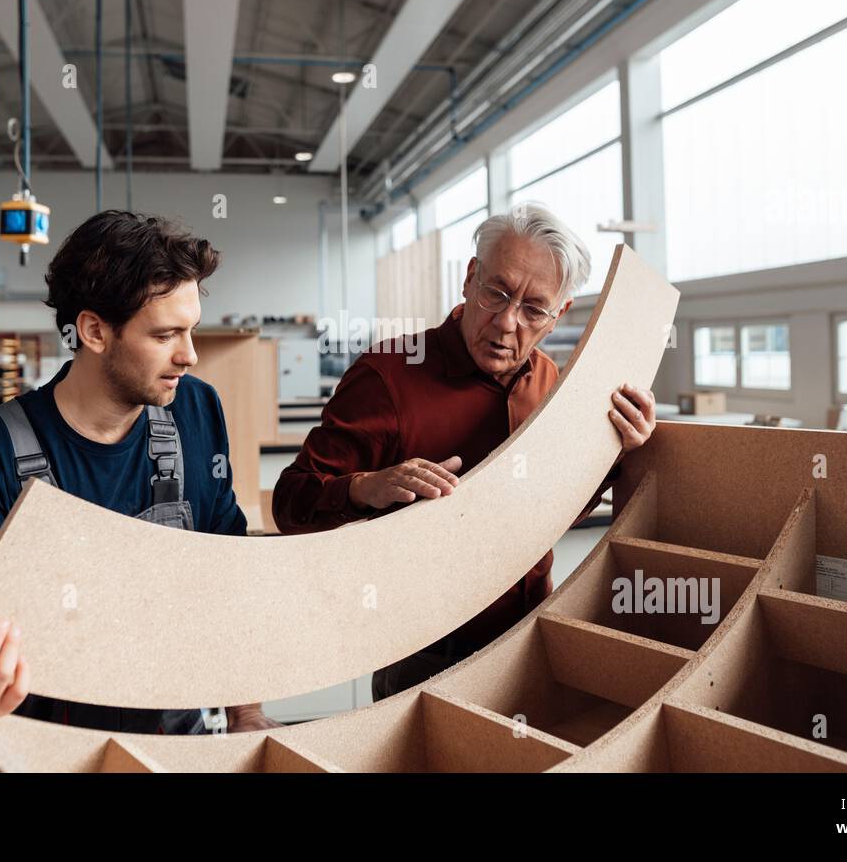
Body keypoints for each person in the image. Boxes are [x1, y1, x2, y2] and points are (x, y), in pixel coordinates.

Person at [0, 210, 279, 734]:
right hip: (47, 751)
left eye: (191, 330)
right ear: (94, 331)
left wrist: (246, 713)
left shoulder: (197, 410)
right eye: (166, 335)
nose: (190, 355)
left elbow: (226, 576)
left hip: (182, 742)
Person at [271, 203, 657, 700]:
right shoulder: (386, 376)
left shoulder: (552, 383)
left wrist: (616, 453)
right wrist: (368, 487)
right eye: (496, 293)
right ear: (470, 278)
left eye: (533, 309)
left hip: (526, 636)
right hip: (423, 653)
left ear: (559, 314)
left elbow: (555, 509)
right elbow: (291, 505)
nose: (505, 323)